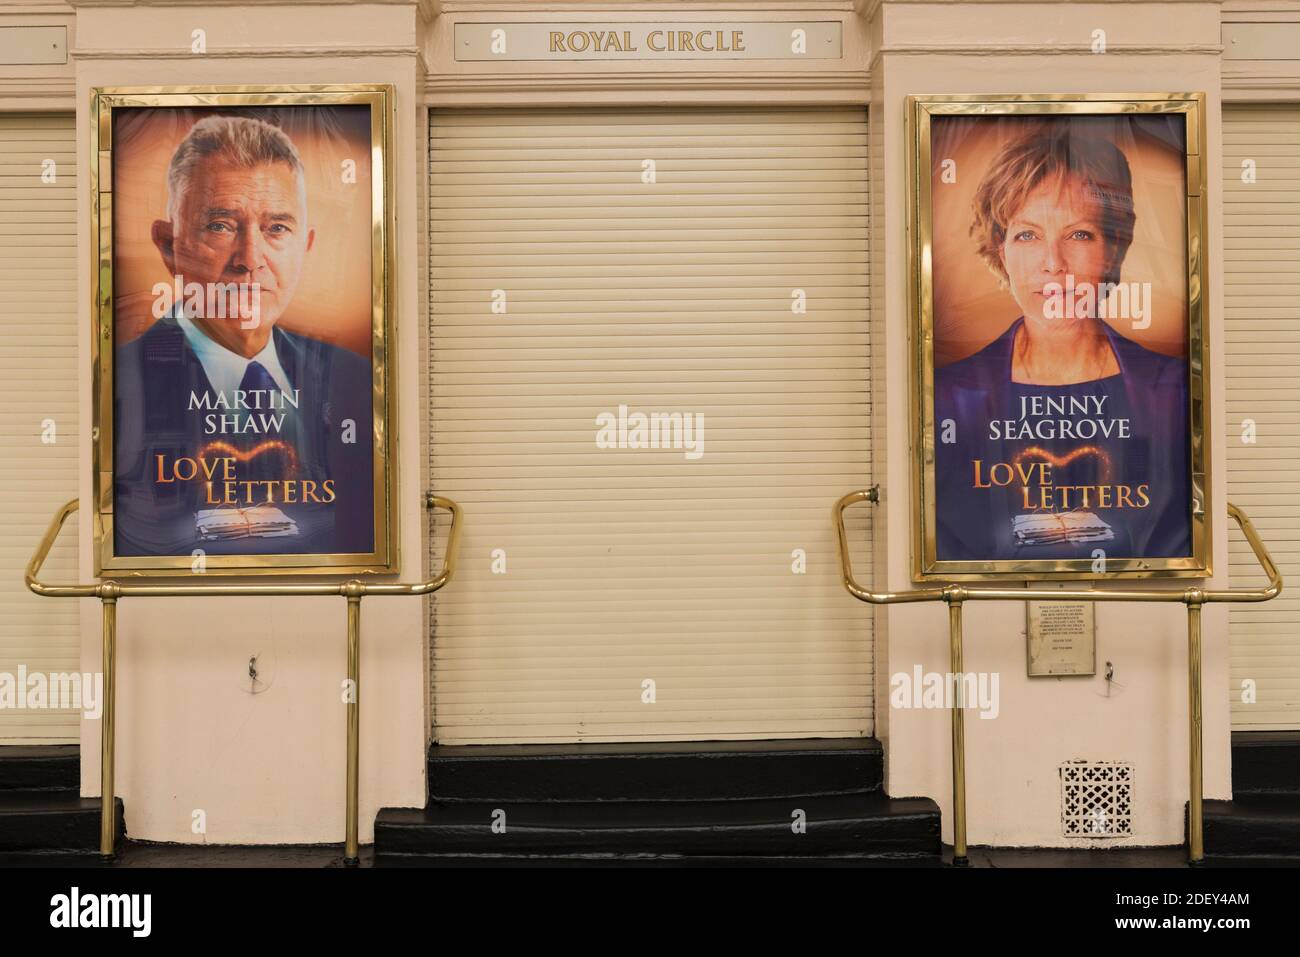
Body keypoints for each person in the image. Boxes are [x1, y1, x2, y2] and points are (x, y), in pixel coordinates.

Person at [113, 114, 374, 557]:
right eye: (221, 225)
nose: (250, 259)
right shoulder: (119, 381)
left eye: (276, 228)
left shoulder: (356, 379)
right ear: (168, 245)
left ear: (304, 247)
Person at [933, 126, 1190, 563]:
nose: (1053, 263)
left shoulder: (1173, 389)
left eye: (1079, 234)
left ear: (1114, 248)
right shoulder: (949, 396)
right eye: (1027, 235)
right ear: (1001, 252)